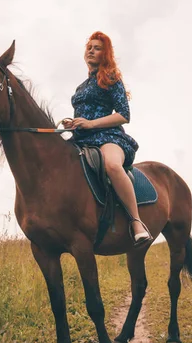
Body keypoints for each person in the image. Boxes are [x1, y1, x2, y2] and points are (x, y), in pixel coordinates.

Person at [63, 31, 152, 247]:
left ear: (106, 54)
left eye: (97, 48)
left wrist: (91, 123)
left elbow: (124, 115)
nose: (91, 50)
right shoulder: (81, 87)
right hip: (82, 139)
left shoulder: (111, 77)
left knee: (112, 165)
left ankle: (136, 222)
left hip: (108, 137)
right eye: (89, 47)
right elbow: (83, 116)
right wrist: (73, 122)